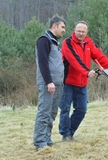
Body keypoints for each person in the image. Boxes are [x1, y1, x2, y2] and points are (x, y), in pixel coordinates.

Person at [59, 21, 108, 141]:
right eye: (79, 31)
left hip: (82, 83)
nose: (81, 33)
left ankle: (70, 132)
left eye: (83, 31)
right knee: (65, 109)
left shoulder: (88, 43)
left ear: (86, 32)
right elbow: (74, 60)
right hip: (67, 82)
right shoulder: (67, 43)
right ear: (74, 30)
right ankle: (65, 134)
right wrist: (87, 72)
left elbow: (99, 56)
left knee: (82, 109)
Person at [33, 16, 66, 151]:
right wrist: (49, 82)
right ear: (54, 26)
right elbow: (43, 62)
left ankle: (47, 138)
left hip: (58, 84)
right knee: (44, 112)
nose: (64, 30)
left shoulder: (56, 42)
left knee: (52, 113)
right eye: (62, 27)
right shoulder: (44, 40)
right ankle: (40, 142)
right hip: (48, 84)